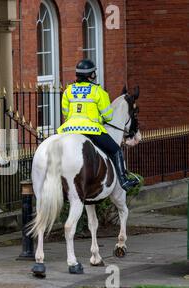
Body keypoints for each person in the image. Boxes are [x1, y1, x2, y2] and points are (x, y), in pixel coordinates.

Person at [57, 59, 139, 191]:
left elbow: (65, 113)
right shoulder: (98, 92)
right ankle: (124, 181)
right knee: (116, 150)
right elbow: (108, 116)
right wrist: (99, 119)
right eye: (94, 73)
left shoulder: (68, 91)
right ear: (91, 75)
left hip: (68, 129)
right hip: (91, 129)